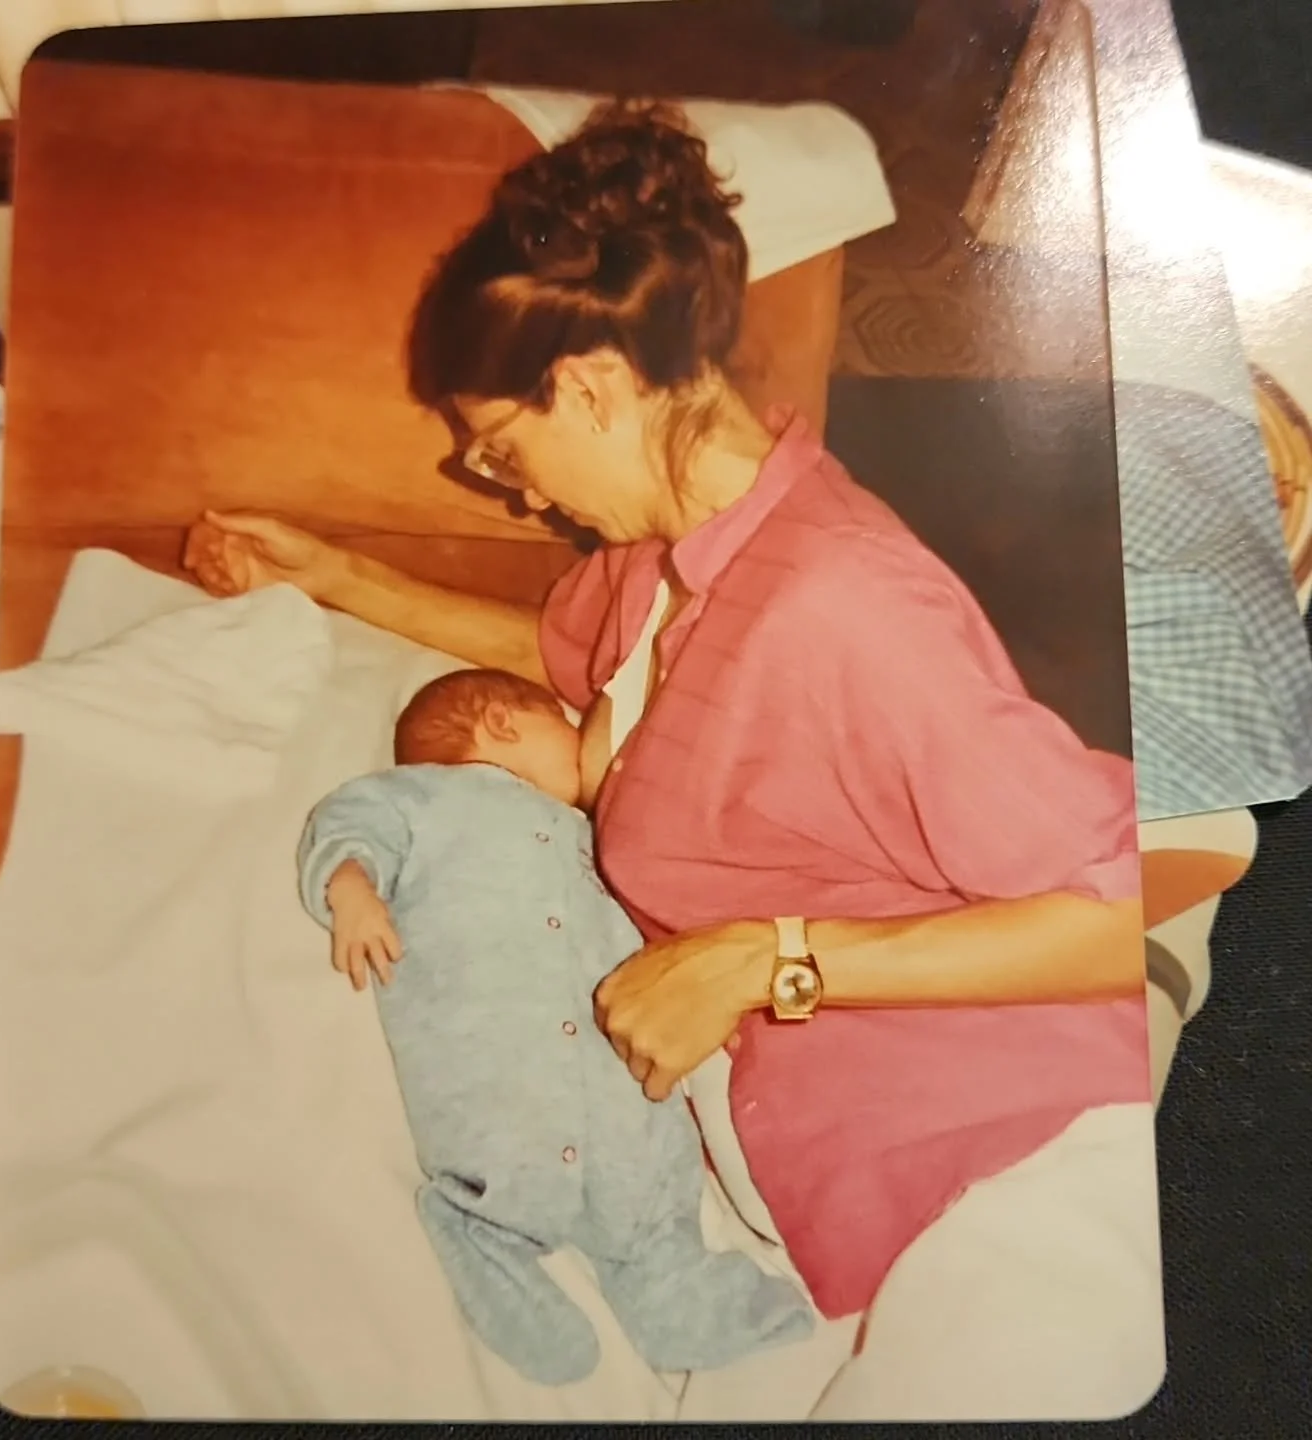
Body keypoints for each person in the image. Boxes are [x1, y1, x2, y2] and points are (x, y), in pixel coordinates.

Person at [186, 101, 1162, 1420]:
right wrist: (334, 577)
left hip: (999, 1168)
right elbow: (550, 655)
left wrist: (776, 958)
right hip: (827, 1196)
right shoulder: (657, 560)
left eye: (501, 451)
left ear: (585, 388)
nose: (510, 492)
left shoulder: (846, 605)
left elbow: (1120, 913)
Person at [296, 666, 813, 1387]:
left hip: (613, 1063)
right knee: (504, 1153)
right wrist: (351, 889)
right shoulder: (426, 798)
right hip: (491, 1049)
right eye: (566, 728)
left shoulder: (595, 836)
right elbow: (348, 825)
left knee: (650, 1178)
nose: (582, 747)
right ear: (504, 726)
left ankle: (669, 1283)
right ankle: (478, 1226)